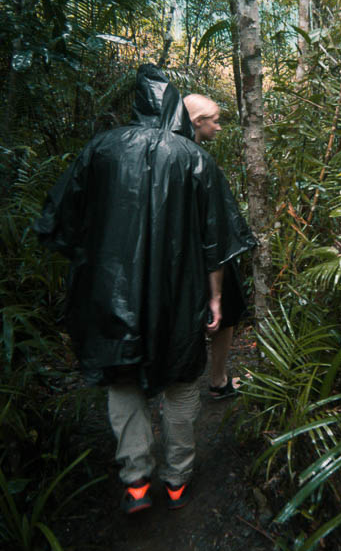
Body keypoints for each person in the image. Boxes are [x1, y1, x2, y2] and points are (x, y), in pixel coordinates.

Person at [35, 65, 254, 514]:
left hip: (112, 294)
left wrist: (90, 272)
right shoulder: (195, 159)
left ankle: (135, 480)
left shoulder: (101, 149)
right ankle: (176, 478)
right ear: (175, 106)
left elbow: (62, 220)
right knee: (180, 382)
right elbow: (215, 241)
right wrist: (214, 298)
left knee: (122, 379)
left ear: (136, 104)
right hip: (180, 295)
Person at [183, 93, 249, 399]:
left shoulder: (182, 153)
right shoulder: (193, 159)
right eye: (216, 121)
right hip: (202, 256)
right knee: (223, 312)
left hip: (183, 255)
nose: (219, 127)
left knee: (225, 315)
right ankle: (213, 381)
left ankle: (217, 379)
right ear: (198, 122)